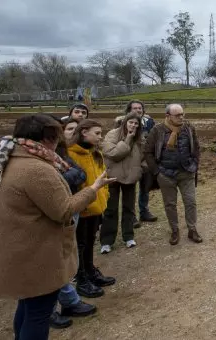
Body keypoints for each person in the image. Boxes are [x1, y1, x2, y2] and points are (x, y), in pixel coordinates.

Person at [0, 114, 114, 340]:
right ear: (47, 138)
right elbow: (63, 209)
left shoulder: (9, 157)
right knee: (39, 313)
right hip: (36, 255)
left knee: (28, 307)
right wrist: (93, 188)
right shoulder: (36, 169)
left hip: (19, 250)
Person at [45, 116, 98, 329]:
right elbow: (72, 176)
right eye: (56, 133)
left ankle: (69, 300)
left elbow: (80, 173)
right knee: (51, 262)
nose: (61, 137)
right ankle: (49, 311)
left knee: (64, 256)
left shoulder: (59, 154)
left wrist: (69, 176)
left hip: (70, 207)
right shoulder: (38, 163)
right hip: (55, 215)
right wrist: (70, 177)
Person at [67, 119, 116, 298]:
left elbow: (102, 176)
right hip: (82, 208)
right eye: (97, 133)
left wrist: (106, 196)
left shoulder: (95, 153)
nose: (100, 137)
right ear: (83, 132)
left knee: (89, 242)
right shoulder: (70, 155)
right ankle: (81, 280)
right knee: (79, 245)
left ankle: (90, 271)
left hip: (97, 207)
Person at [143, 103, 203, 245]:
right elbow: (147, 152)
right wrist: (157, 172)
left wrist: (194, 164)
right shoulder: (157, 130)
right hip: (166, 174)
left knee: (191, 202)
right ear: (168, 116)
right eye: (177, 115)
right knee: (170, 204)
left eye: (182, 114)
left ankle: (192, 229)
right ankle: (174, 230)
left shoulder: (189, 128)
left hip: (186, 172)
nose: (181, 117)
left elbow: (196, 148)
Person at [100, 112, 145, 254]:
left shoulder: (139, 138)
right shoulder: (112, 134)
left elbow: (144, 155)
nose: (133, 125)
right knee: (111, 209)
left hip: (131, 177)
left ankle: (128, 236)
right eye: (131, 122)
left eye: (136, 123)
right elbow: (113, 153)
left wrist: (141, 169)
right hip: (113, 176)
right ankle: (107, 241)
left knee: (129, 207)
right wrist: (127, 139)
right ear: (125, 122)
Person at [115, 100, 158, 226]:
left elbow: (153, 138)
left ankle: (144, 211)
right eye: (134, 108)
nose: (138, 110)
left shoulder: (149, 122)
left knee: (145, 186)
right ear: (129, 110)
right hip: (130, 159)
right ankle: (131, 216)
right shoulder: (121, 123)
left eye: (140, 108)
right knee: (130, 188)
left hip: (145, 159)